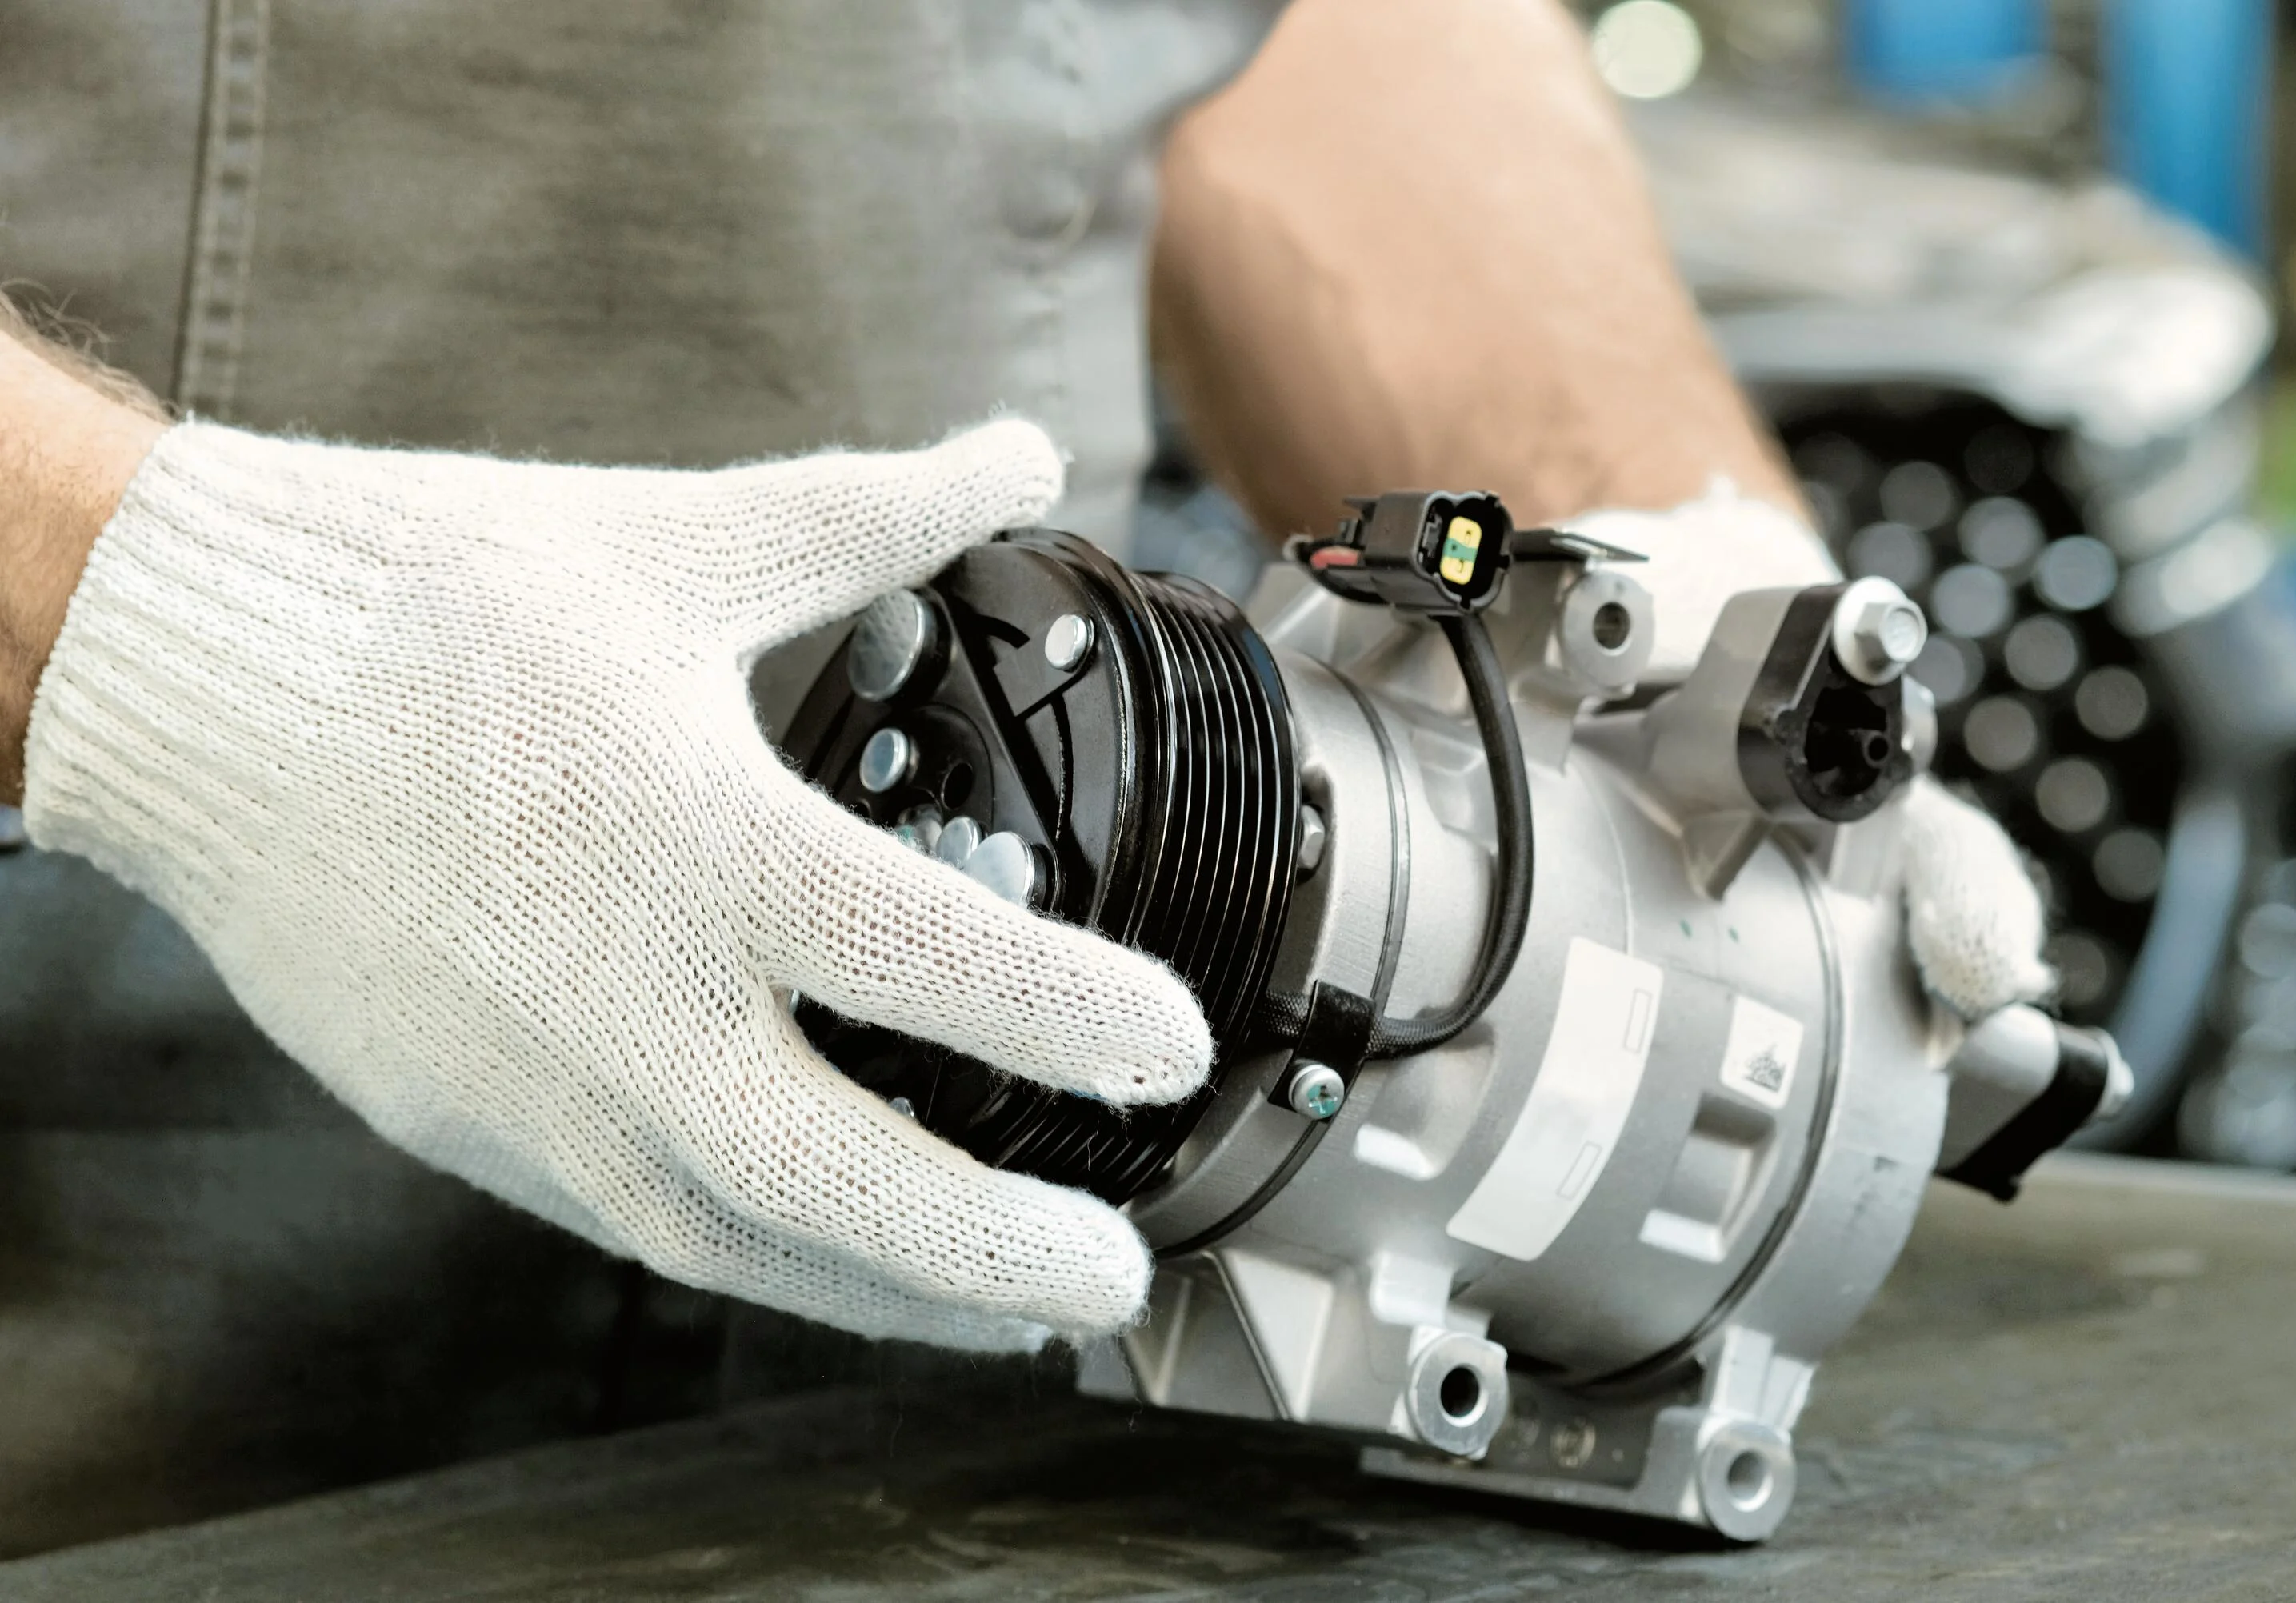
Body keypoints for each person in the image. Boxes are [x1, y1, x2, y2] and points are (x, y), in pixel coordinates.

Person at [0, 0, 2046, 1360]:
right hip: (129, 1342)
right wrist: (181, 631)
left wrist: (1675, 624)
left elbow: (1311, 39)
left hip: (1016, 1338)